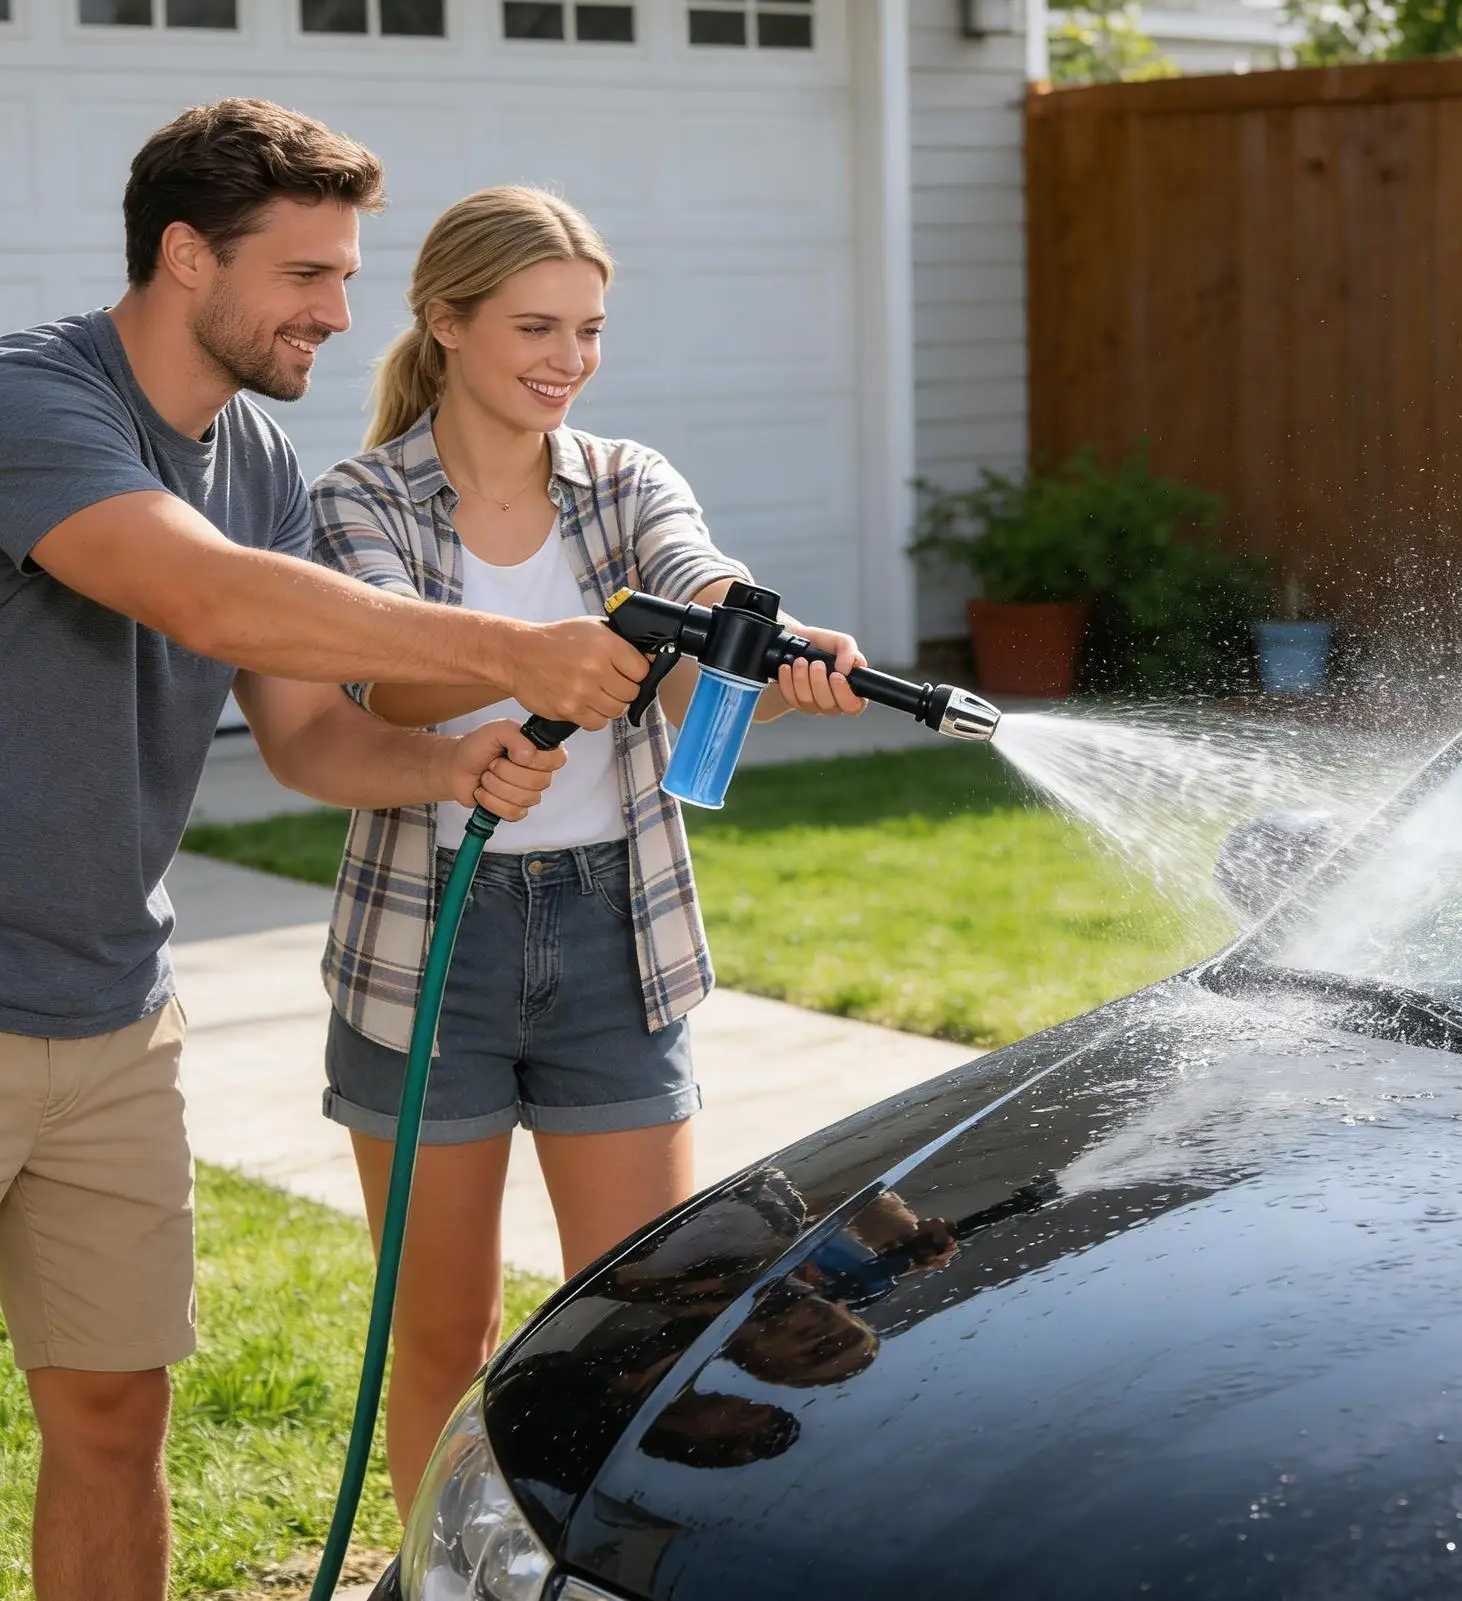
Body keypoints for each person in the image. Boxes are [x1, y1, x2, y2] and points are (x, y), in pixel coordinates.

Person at [0, 102, 650, 1601]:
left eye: (348, 277)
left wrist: (442, 756)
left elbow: (301, 734)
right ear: (186, 255)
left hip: (107, 1012)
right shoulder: (20, 401)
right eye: (307, 277)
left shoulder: (261, 462)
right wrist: (513, 647)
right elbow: (202, 599)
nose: (340, 315)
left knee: (112, 1411)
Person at [309, 185, 867, 1515]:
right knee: (441, 1340)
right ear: (444, 322)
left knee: (641, 1333)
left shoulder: (623, 483)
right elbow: (381, 677)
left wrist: (769, 642)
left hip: (619, 937)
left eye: (591, 331)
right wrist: (531, 662)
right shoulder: (358, 500)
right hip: (427, 941)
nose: (570, 359)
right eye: (535, 327)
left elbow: (696, 571)